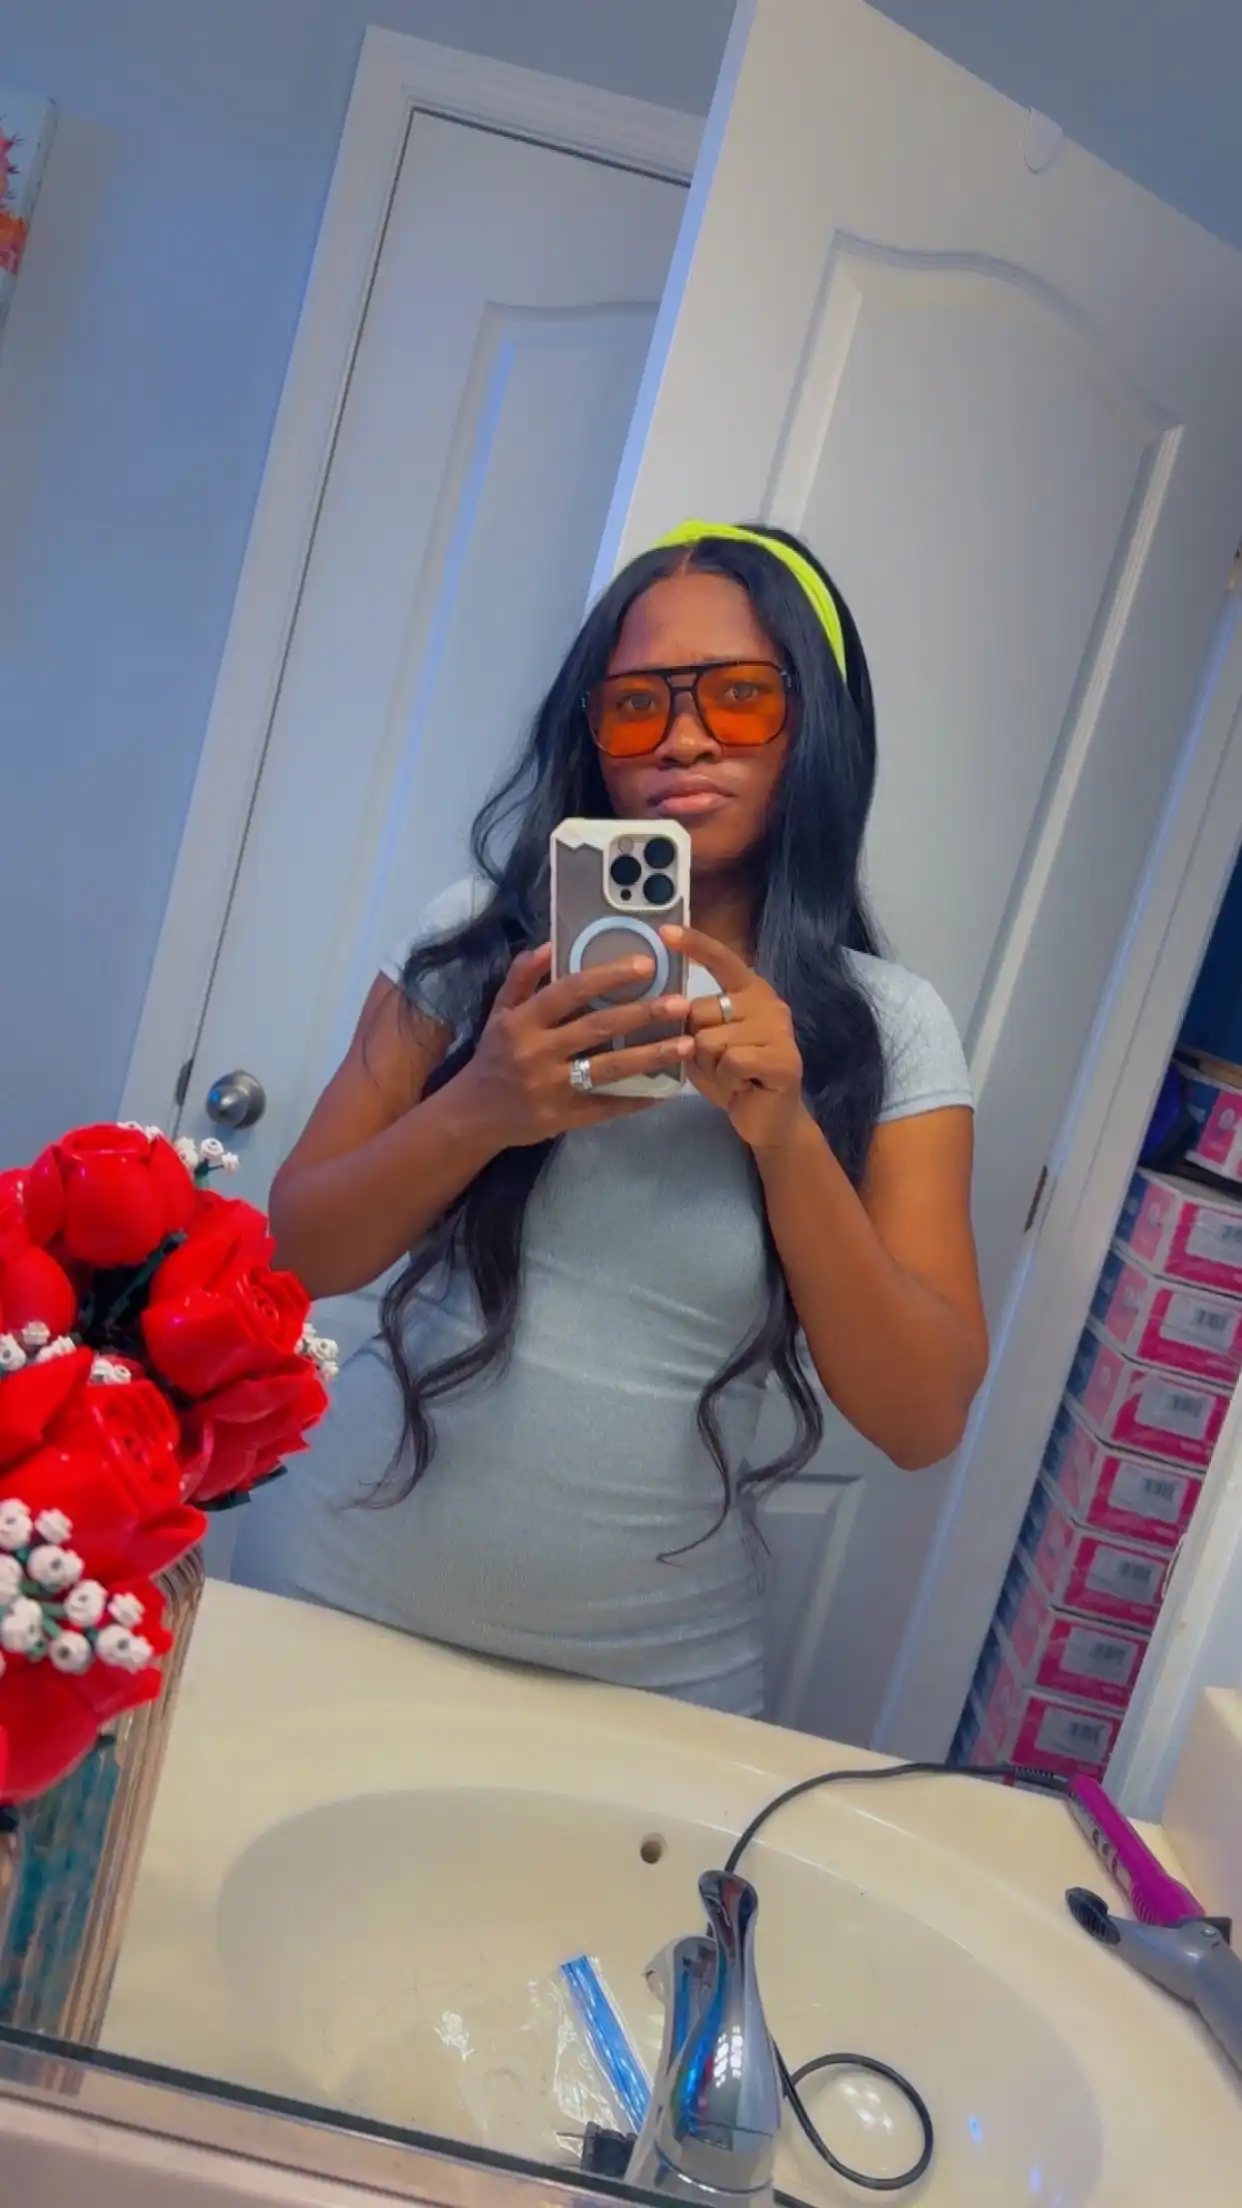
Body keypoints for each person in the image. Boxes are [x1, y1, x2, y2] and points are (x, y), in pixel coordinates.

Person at [232, 522, 988, 1717]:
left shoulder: (889, 1027)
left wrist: (787, 1140)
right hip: (337, 1595)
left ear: (817, 724)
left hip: (657, 1676)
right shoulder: (481, 941)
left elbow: (921, 1418)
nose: (682, 737)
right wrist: (481, 1107)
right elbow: (291, 1257)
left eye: (739, 695)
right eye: (636, 705)